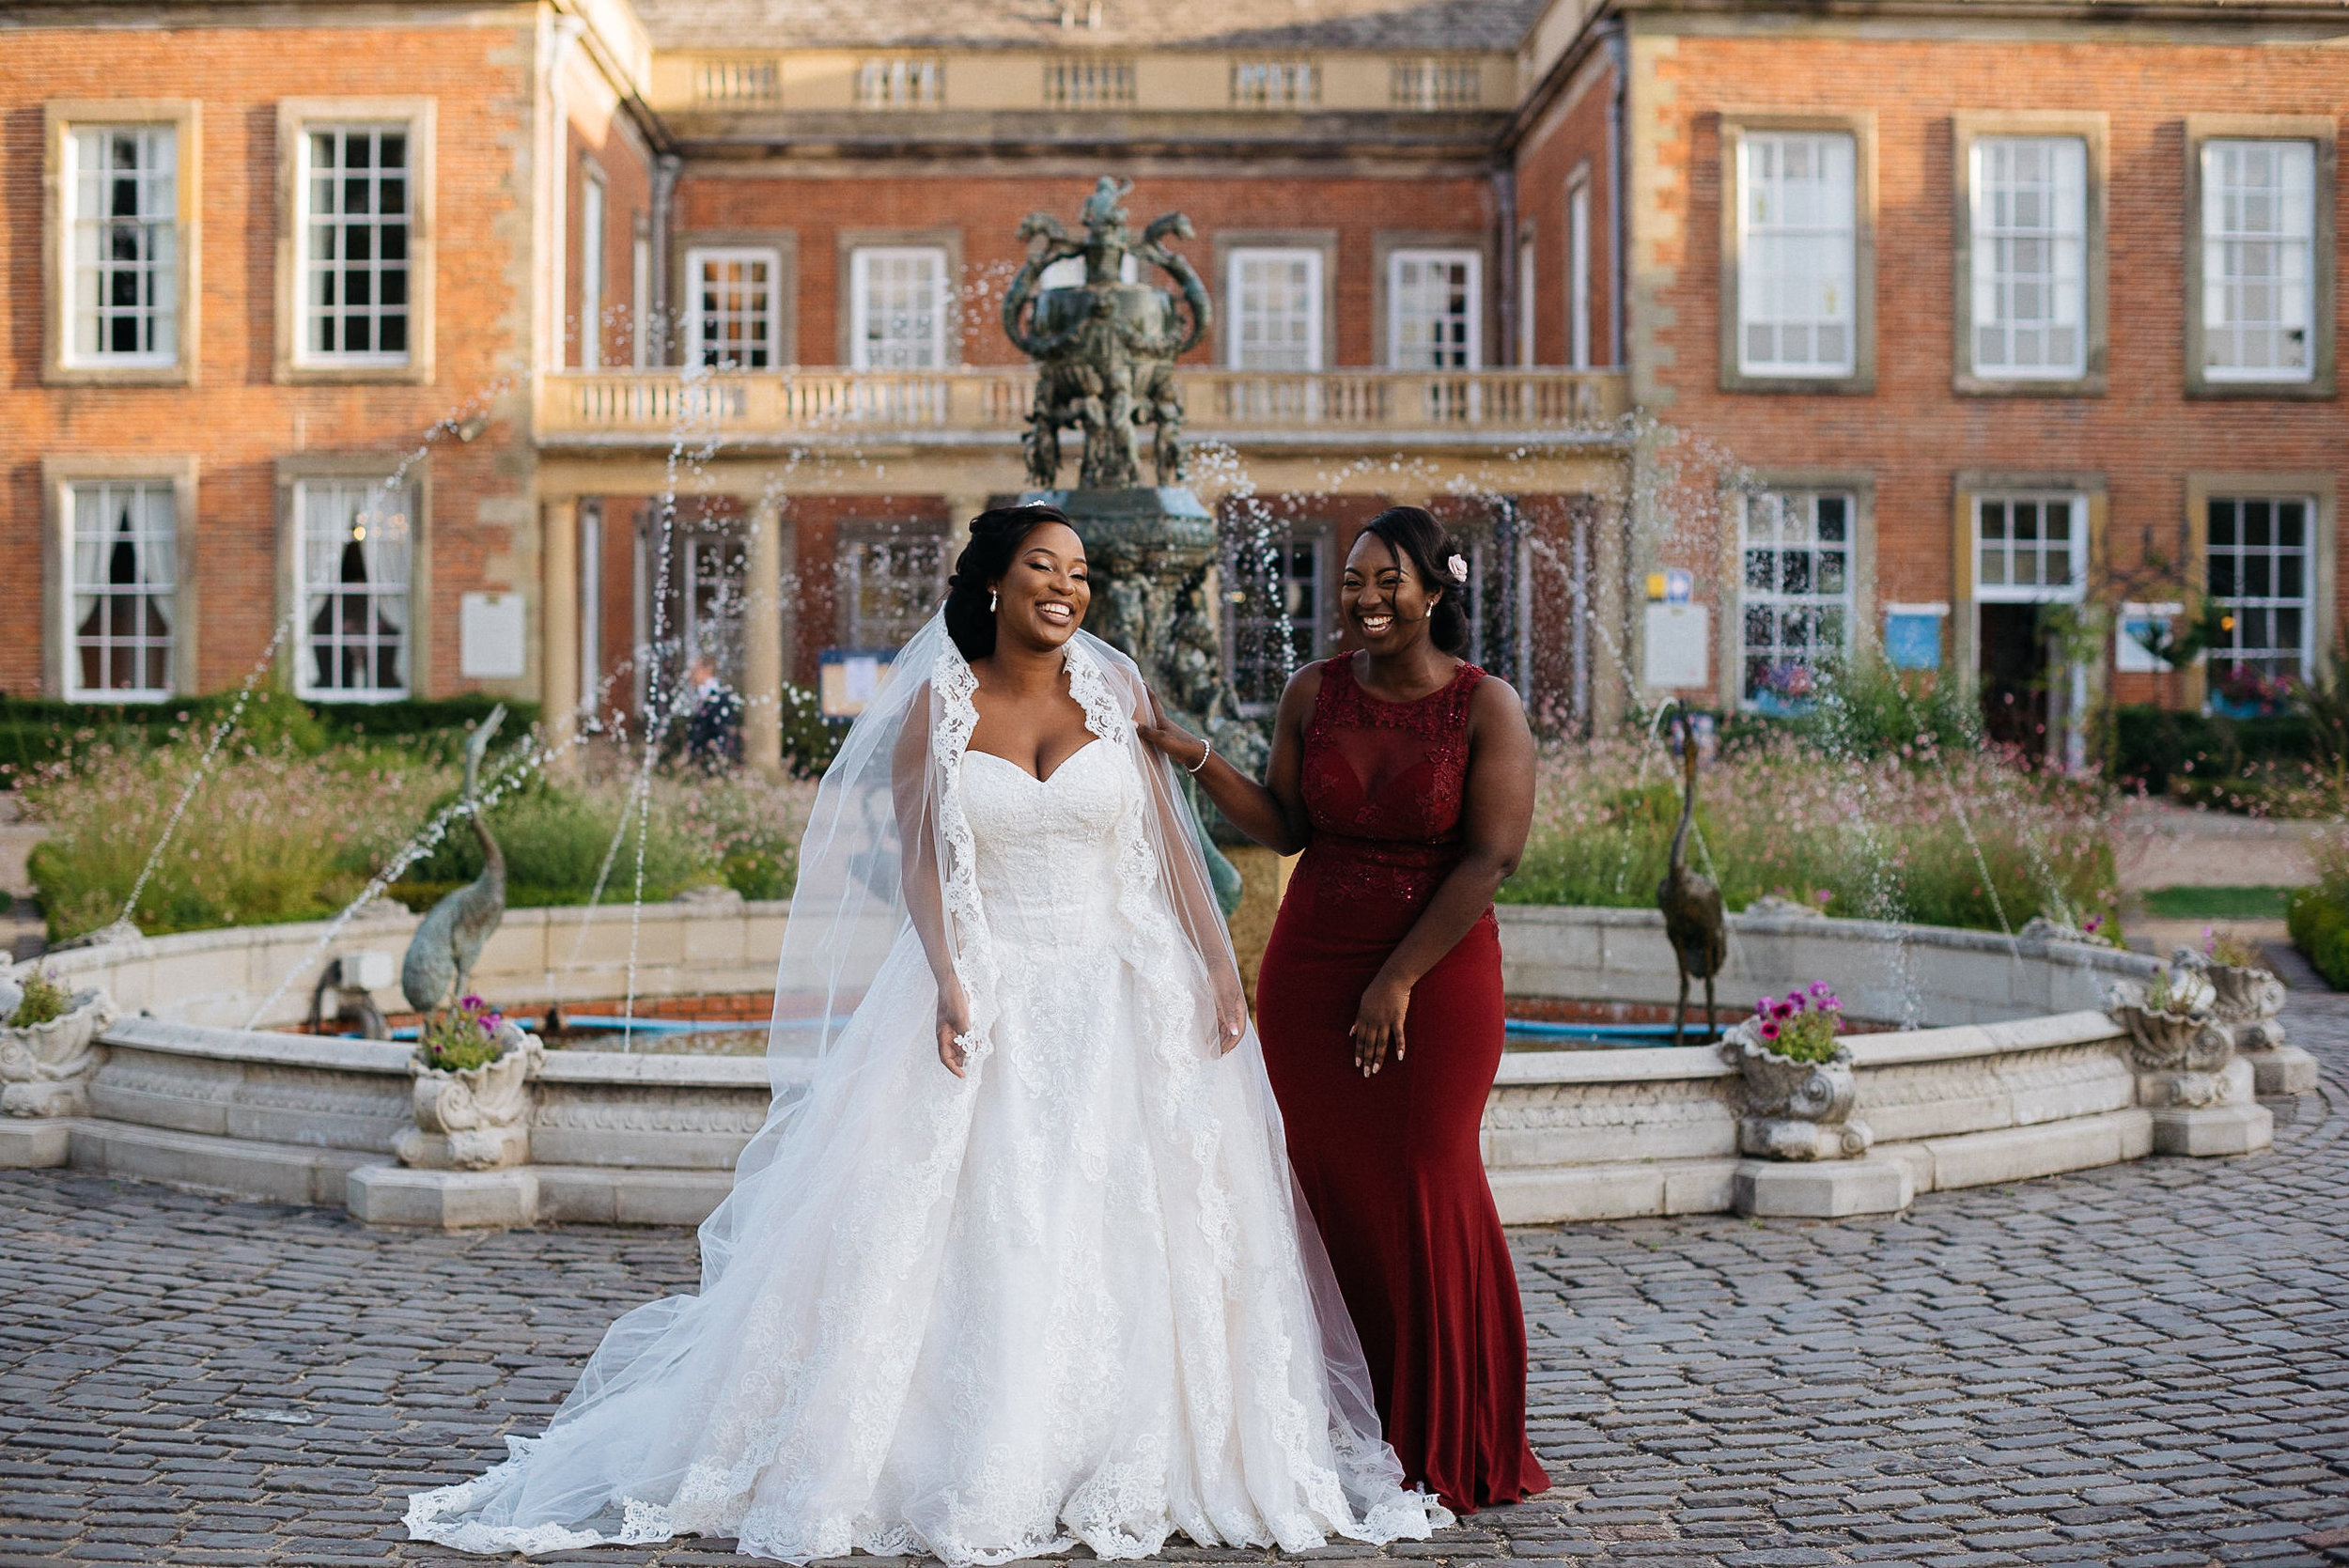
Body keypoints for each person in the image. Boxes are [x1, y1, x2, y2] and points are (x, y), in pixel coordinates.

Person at [405, 505, 1450, 1563]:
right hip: (990, 987)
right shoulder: (936, 706)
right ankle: (966, 1444)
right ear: (993, 583)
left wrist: (1217, 964)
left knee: (1134, 1210)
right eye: (1042, 566)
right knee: (983, 1215)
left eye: (1079, 572)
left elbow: (1167, 840)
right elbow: (919, 861)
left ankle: (1132, 1437)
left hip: (1123, 989)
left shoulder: (1117, 689)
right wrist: (952, 974)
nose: (1066, 587)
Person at [1138, 505, 1548, 1514]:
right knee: (1316, 1186)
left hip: (1437, 968)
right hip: (1313, 967)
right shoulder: (1310, 692)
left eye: (1387, 581)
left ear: (1435, 591)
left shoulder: (1485, 707)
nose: (1365, 599)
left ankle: (1448, 1430)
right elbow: (1282, 828)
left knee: (1424, 1172)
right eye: (1353, 582)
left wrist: (1398, 978)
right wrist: (1193, 755)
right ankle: (1338, 1423)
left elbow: (1489, 857)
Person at [684, 654, 744, 770]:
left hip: (715, 763)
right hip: (703, 761)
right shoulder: (703, 695)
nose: (691, 674)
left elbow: (724, 730)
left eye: (695, 670)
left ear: (708, 670)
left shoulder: (720, 697)